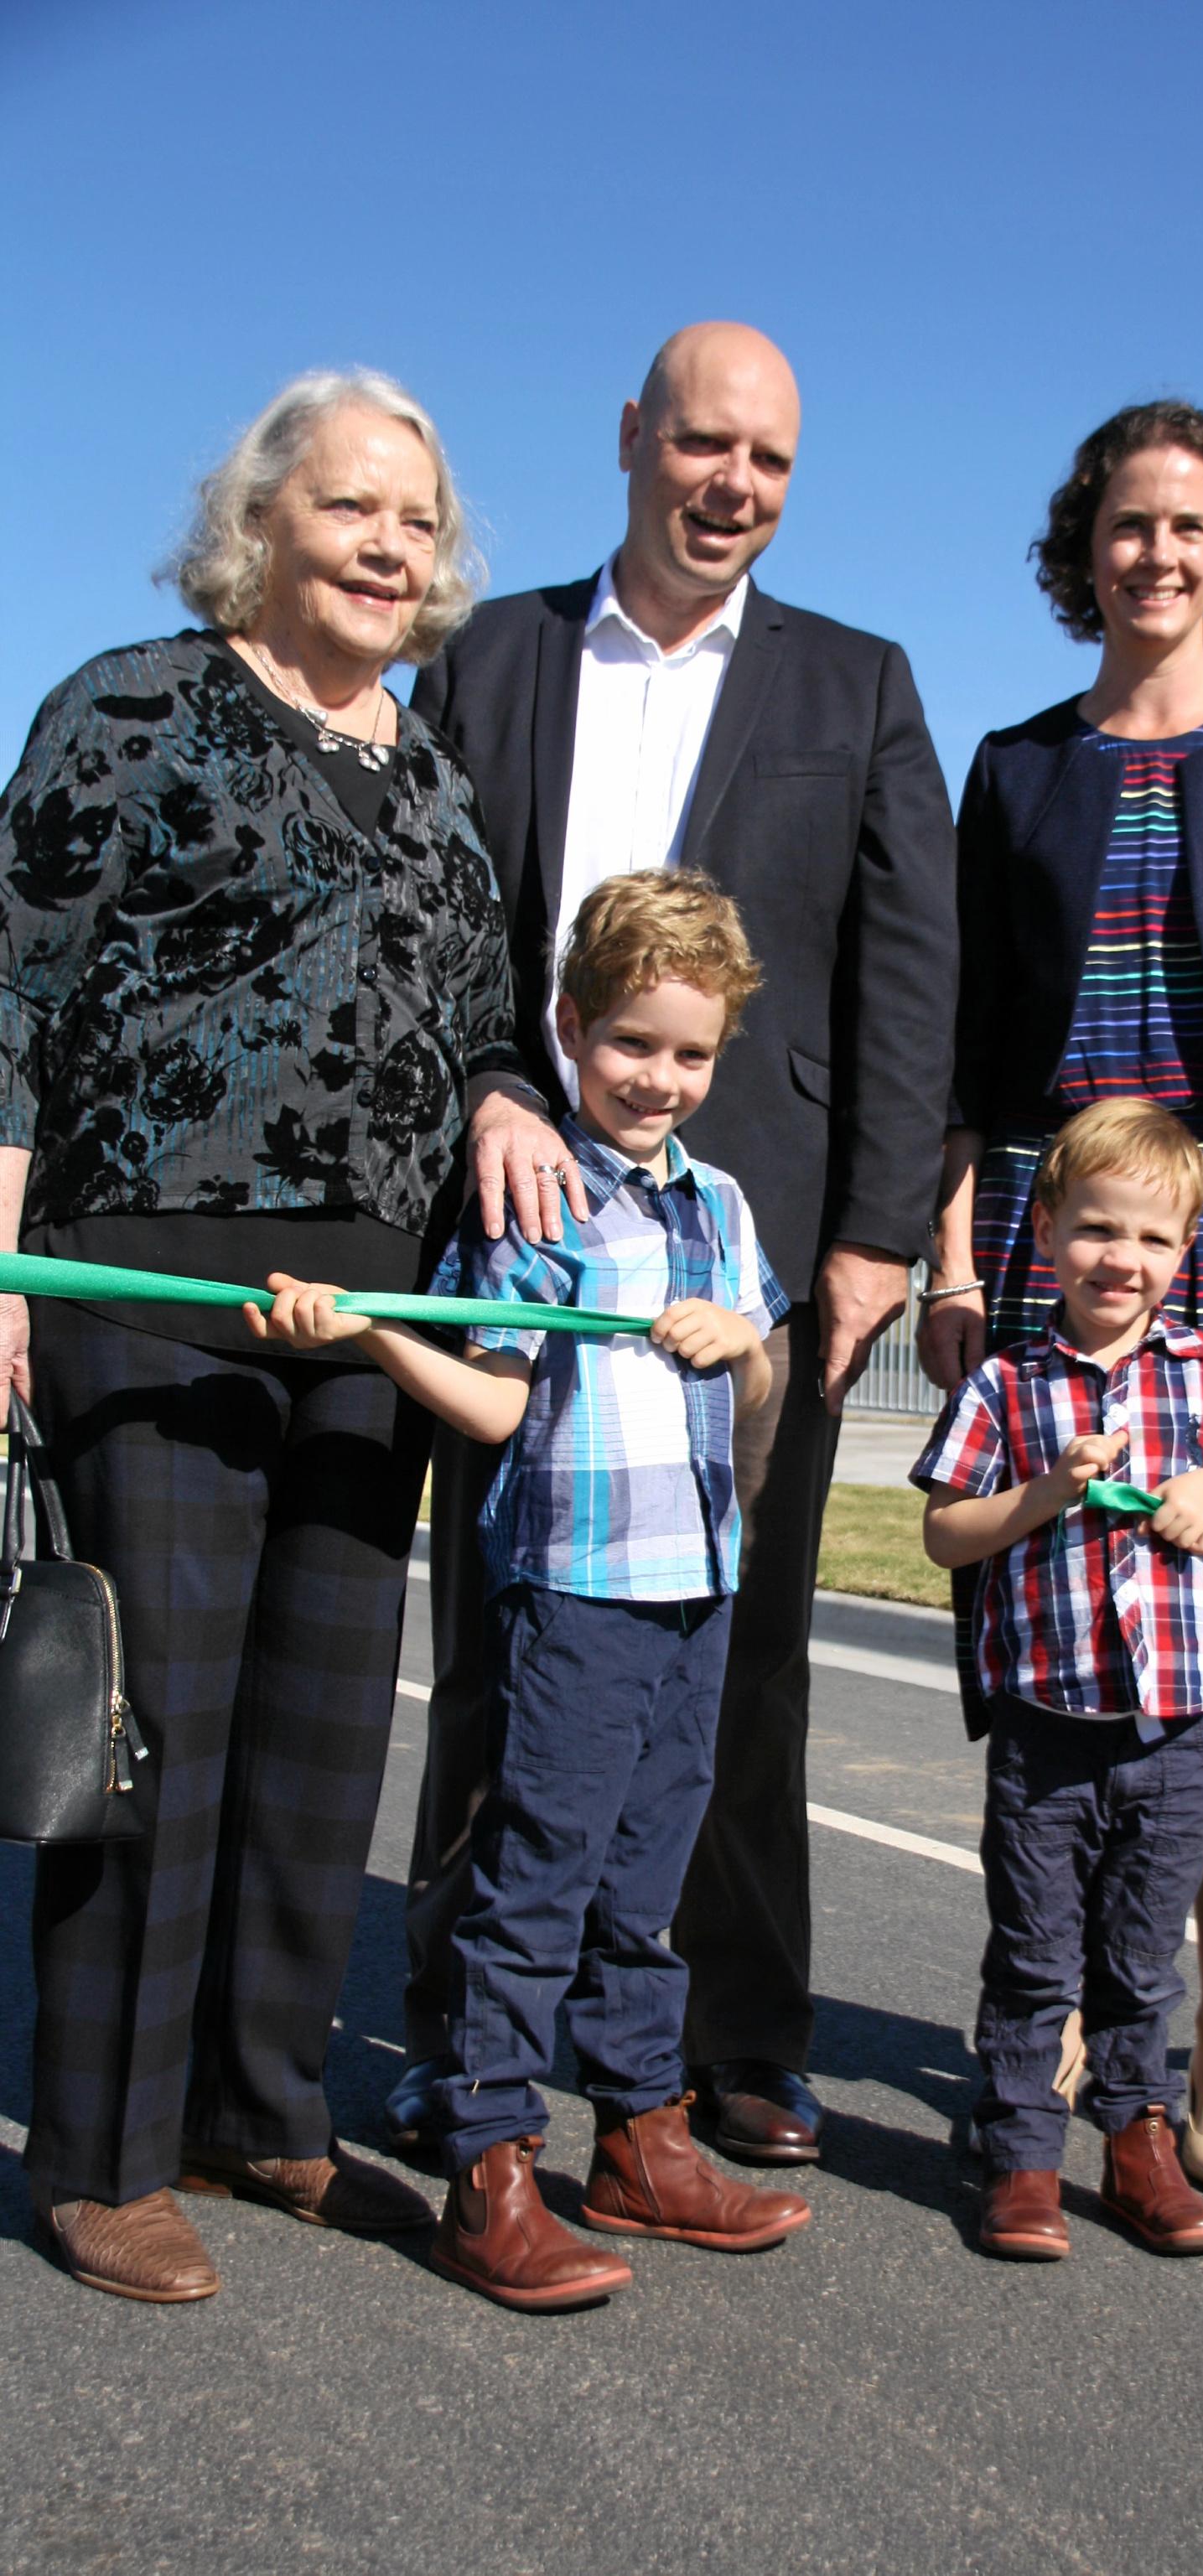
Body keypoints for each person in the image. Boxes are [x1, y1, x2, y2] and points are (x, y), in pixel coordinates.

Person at [391, 320, 957, 2166]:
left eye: (771, 462)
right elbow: (437, 921)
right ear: (633, 437)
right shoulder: (491, 656)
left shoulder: (856, 684)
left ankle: (730, 2037)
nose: (735, 487)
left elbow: (906, 977)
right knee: (504, 1629)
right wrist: (491, 1082)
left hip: (753, 1242)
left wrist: (873, 1233)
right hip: (525, 1210)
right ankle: (460, 2024)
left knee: (741, 1646)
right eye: (706, 445)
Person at [0, 368, 540, 2302]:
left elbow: (484, 1014)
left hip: (366, 1296)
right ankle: (101, 2148)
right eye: (353, 509)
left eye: (420, 519)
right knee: (163, 1715)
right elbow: (12, 996)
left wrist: (499, 1094)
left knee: (324, 1709)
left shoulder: (437, 774)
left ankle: (255, 2093)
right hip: (145, 1276)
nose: (395, 544)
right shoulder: (129, 707)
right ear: (262, 526)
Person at [919, 401, 1203, 2193]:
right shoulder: (1014, 763)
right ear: (1082, 545)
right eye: (1128, 526)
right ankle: (1053, 1994)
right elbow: (966, 1049)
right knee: (1055, 1608)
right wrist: (963, 1252)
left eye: (1189, 529)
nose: (1157, 556)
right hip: (1051, 1217)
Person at [254, 870, 812, 2310]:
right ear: (569, 1025)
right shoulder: (539, 1192)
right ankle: (489, 2155)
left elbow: (759, 1395)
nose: (661, 1079)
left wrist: (740, 1349)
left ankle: (639, 2132)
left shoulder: (725, 1206)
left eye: (691, 1053)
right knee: (540, 1876)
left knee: (648, 1878)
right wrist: (375, 1333)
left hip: (697, 1589)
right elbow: (495, 1407)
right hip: (574, 1591)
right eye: (631, 1042)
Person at [913, 1100, 1203, 2259]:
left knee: (1141, 1958)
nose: (1120, 1260)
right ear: (1045, 1233)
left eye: (1150, 1240)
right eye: (1096, 1229)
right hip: (1046, 1733)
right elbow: (948, 1532)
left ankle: (1136, 2139)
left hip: (1176, 1735)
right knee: (1037, 1953)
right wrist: (1045, 1490)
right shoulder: (1007, 1384)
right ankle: (1023, 2152)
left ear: (1184, 1253)